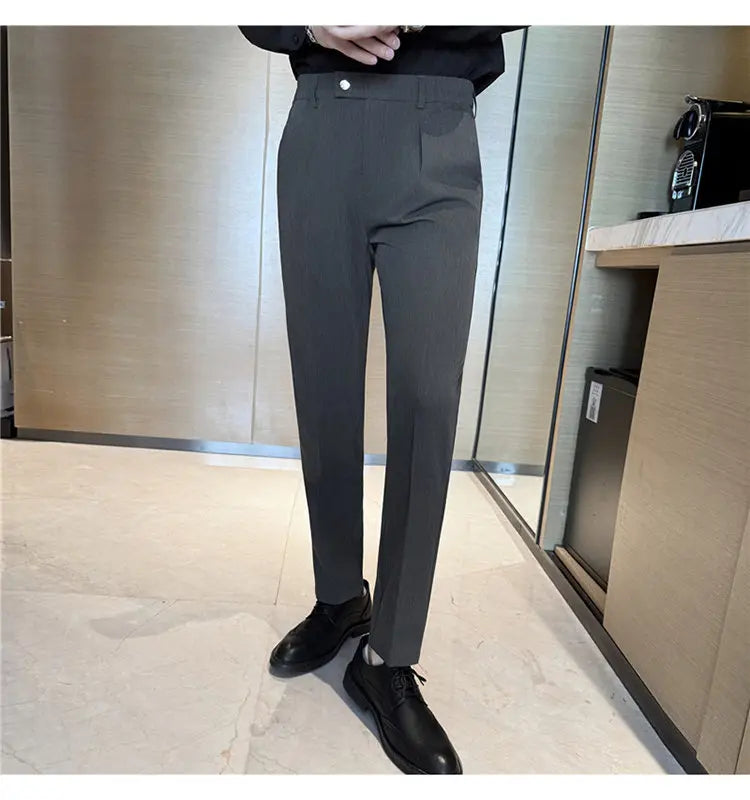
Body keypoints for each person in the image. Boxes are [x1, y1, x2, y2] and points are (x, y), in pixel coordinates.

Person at [239, 25, 521, 775]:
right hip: (321, 124)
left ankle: (388, 657)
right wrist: (310, 24)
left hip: (438, 127)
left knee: (428, 399)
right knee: (324, 385)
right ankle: (340, 598)